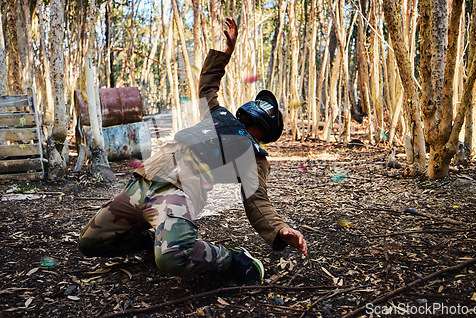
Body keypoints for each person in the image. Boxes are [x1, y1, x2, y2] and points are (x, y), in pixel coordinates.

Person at [78, 18, 307, 283]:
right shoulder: (218, 115)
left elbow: (256, 200)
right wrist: (225, 53)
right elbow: (207, 86)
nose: (257, 111)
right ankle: (154, 238)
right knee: (90, 243)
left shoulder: (255, 155)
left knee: (173, 257)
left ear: (267, 129)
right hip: (143, 183)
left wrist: (279, 229)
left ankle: (235, 260)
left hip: (177, 192)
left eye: (265, 113)